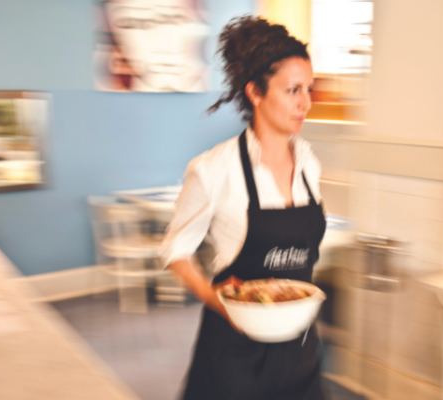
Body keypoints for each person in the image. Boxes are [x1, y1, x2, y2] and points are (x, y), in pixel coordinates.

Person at [160, 16, 326, 400]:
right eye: (292, 90)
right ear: (255, 92)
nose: (305, 103)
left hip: (300, 347)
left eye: (309, 89)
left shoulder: (309, 165)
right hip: (234, 353)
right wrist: (212, 295)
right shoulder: (215, 168)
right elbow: (175, 249)